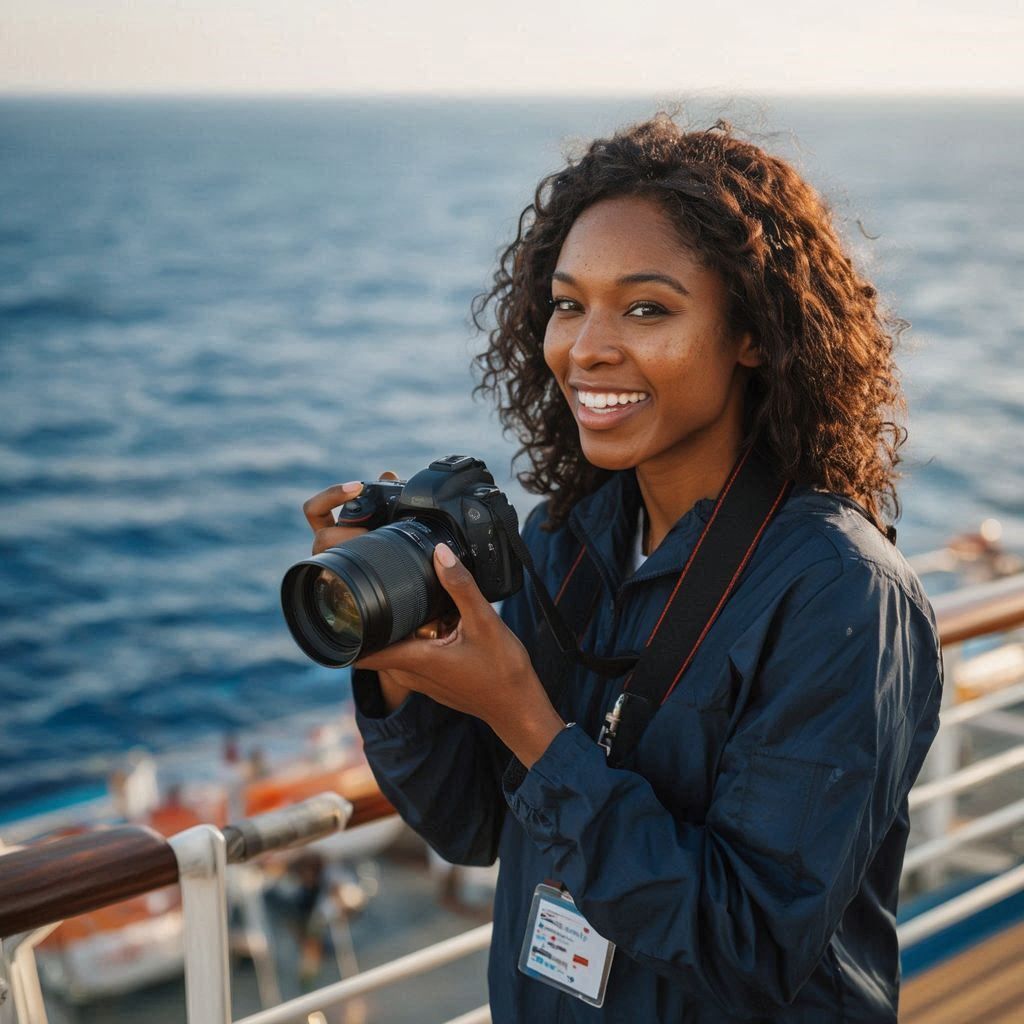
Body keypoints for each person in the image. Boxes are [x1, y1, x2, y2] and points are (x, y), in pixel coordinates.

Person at [302, 115, 942, 1022]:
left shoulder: (838, 591)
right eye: (569, 304)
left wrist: (525, 715)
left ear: (752, 333)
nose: (587, 348)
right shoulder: (566, 541)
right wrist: (395, 662)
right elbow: (472, 826)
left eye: (647, 308)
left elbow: (747, 946)